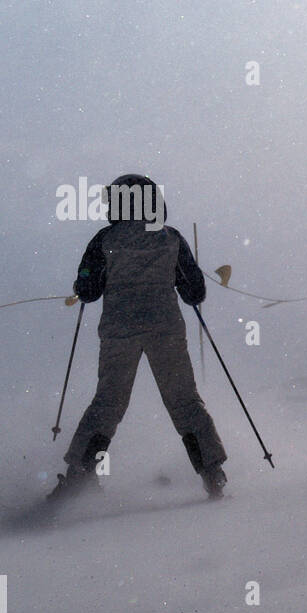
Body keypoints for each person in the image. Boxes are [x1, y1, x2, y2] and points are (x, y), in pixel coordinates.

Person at [49, 174, 228, 502]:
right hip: (166, 328)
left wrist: (85, 283)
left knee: (108, 403)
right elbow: (194, 292)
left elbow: (87, 289)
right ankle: (212, 471)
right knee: (184, 401)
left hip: (120, 330)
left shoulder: (104, 239)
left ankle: (79, 475)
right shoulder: (170, 238)